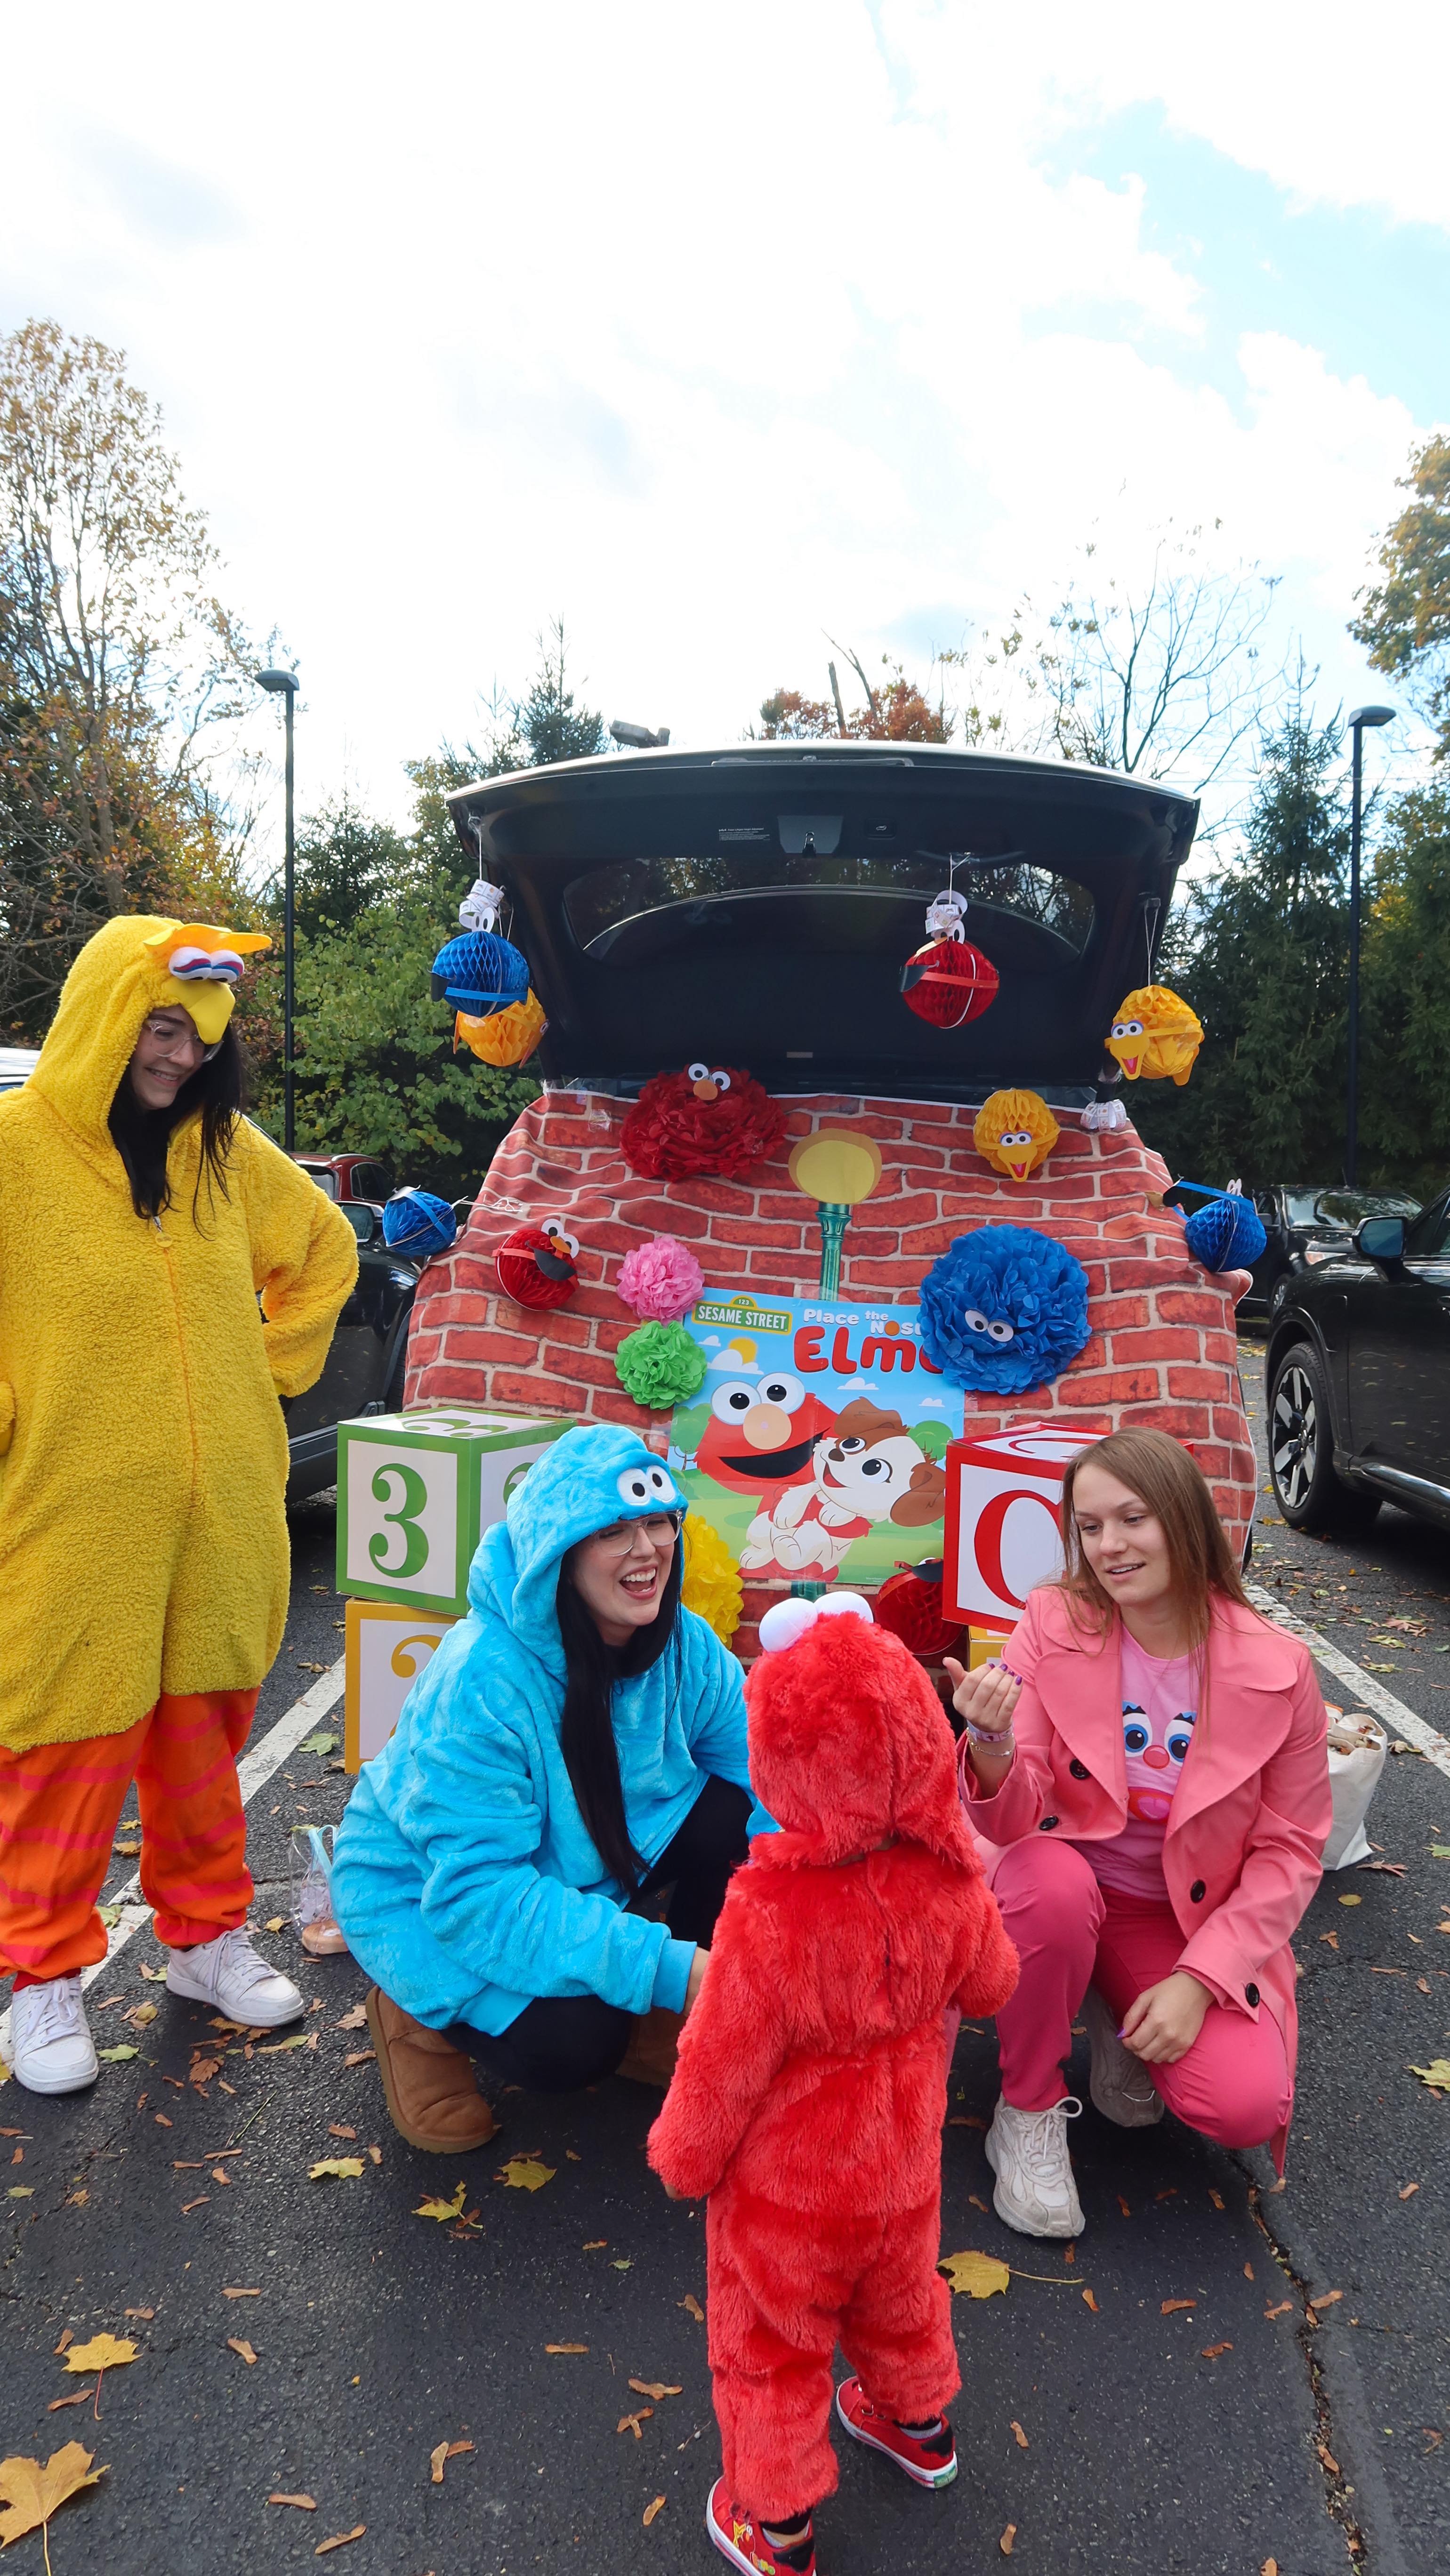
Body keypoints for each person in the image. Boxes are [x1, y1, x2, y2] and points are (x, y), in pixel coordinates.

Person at [0, 916, 359, 2094]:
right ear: (106, 1015)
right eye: (161, 1028)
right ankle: (43, 1978)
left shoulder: (222, 1150)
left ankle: (203, 1940)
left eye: (200, 1041)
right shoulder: (15, 1150)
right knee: (68, 1738)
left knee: (204, 1729)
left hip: (223, 1508)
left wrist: (264, 1368)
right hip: (72, 1507)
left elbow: (323, 1246)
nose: (177, 1059)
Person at [648, 1594, 1018, 2576]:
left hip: (789, 2195)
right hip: (901, 2172)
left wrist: (684, 2158)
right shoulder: (950, 1879)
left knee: (770, 2341)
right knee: (900, 2300)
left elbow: (719, 2062)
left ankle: (776, 2522)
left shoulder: (766, 1909)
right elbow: (992, 1984)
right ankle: (918, 2426)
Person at [949, 1425, 1332, 2238]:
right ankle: (1026, 2111)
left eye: (1132, 1519)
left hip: (1184, 1919)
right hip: (1061, 1885)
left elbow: (1291, 1850)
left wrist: (1202, 1979)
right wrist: (989, 1747)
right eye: (1089, 1528)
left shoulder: (1281, 1667)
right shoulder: (1054, 1620)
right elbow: (1017, 1816)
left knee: (1243, 2106)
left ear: (1184, 1519)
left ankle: (1119, 2007)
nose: (1109, 1547)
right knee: (1047, 1880)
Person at [329, 1424, 756, 2152]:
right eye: (614, 1531)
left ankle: (650, 2017)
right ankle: (417, 2021)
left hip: (587, 1856)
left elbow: (760, 1767)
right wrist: (672, 1968)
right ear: (559, 1550)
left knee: (736, 1816)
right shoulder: (480, 1681)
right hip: (434, 1898)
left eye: (658, 1522)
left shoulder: (684, 1643)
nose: (648, 1548)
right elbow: (478, 1897)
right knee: (573, 2044)